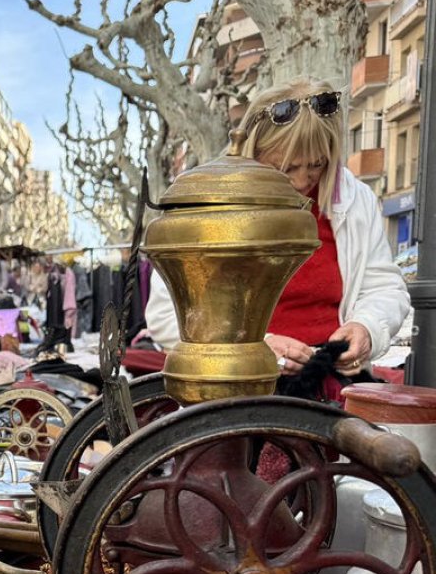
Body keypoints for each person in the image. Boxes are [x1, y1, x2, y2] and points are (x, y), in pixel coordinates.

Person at [145, 77, 410, 381]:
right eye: (286, 168)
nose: (302, 180)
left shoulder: (355, 199)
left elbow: (383, 288)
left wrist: (367, 328)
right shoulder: (211, 203)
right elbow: (167, 315)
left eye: (317, 165)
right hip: (238, 383)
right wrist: (258, 348)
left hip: (332, 379)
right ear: (254, 151)